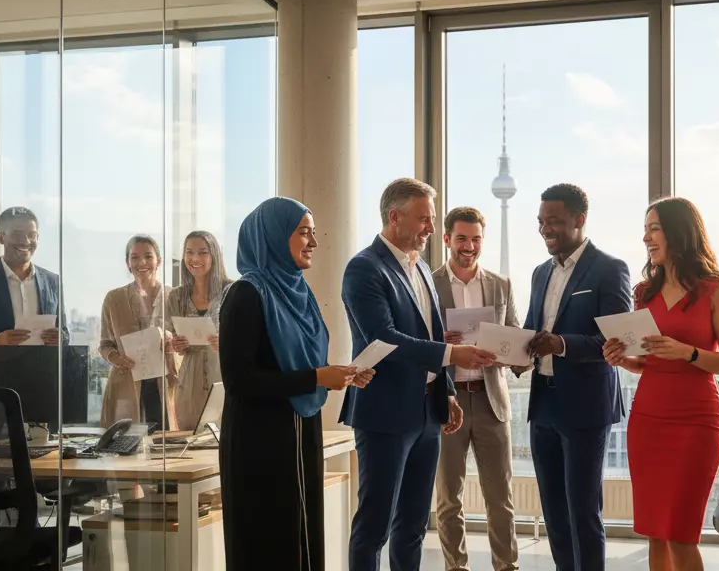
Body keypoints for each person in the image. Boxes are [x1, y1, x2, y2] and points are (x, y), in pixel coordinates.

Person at [340, 178, 496, 571]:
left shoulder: (422, 267)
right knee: (374, 527)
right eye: (424, 219)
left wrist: (446, 392)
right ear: (395, 217)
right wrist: (453, 353)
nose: (431, 228)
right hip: (385, 414)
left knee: (412, 525)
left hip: (427, 413)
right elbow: (385, 338)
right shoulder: (363, 268)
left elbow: (427, 333)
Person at [219, 197, 373, 571]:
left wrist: (338, 374)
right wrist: (317, 377)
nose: (314, 243)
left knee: (302, 534)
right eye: (304, 233)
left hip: (301, 429)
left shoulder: (299, 293)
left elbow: (303, 364)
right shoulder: (246, 294)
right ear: (272, 236)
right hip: (259, 440)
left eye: (314, 233)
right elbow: (239, 380)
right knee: (269, 540)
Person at [602, 198, 719, 571]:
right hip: (648, 419)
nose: (646, 237)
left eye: (654, 228)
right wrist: (622, 358)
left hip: (696, 422)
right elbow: (644, 363)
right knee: (655, 533)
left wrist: (688, 352)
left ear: (679, 232)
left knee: (681, 534)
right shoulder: (644, 292)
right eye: (646, 228)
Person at [521, 183, 631, 571]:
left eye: (553, 221)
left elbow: (615, 339)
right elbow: (532, 331)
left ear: (579, 220)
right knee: (553, 511)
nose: (545, 229)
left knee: (583, 511)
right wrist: (513, 352)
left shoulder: (609, 269)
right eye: (540, 222)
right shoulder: (538, 273)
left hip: (585, 406)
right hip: (543, 403)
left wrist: (561, 344)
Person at [433, 207, 520, 571]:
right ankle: (457, 567)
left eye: (476, 239)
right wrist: (440, 342)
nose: (469, 247)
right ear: (447, 239)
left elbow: (515, 334)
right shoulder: (428, 282)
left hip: (491, 400)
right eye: (462, 239)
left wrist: (507, 352)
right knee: (449, 497)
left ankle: (507, 567)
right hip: (447, 399)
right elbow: (414, 340)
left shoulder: (501, 284)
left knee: (500, 498)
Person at [98, 235, 178, 429]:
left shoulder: (174, 296)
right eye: (134, 257)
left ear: (158, 261)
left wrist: (171, 342)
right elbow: (105, 344)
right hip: (127, 381)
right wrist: (115, 358)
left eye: (148, 256)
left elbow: (183, 341)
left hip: (165, 382)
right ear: (128, 263)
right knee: (126, 446)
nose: (142, 262)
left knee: (167, 445)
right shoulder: (113, 298)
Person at [155, 231, 231, 431]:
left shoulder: (232, 290)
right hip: (188, 379)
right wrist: (175, 344)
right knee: (190, 437)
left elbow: (251, 337)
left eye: (202, 252)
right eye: (189, 252)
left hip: (224, 374)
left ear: (214, 255)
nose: (195, 258)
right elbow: (169, 339)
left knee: (225, 439)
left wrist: (226, 342)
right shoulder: (176, 296)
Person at [0, 206, 67, 345]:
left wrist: (60, 337)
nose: (26, 241)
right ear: (1, 238)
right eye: (17, 235)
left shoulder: (53, 281)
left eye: (32, 235)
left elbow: (65, 335)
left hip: (42, 366)